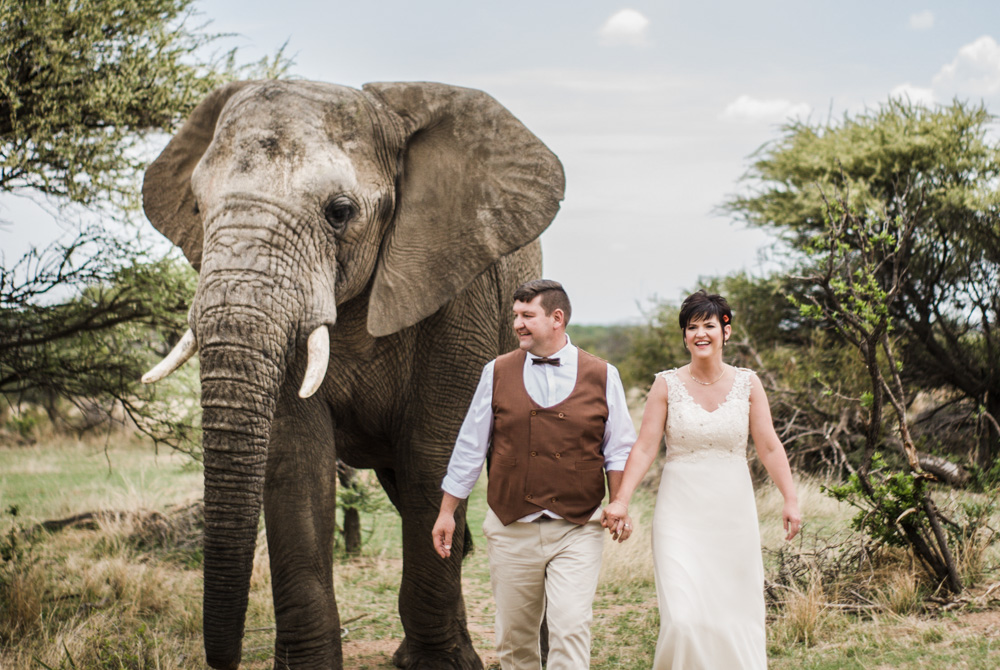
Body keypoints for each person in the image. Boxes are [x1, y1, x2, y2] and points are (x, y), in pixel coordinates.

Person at [432, 279, 637, 670]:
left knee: (571, 628)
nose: (518, 324)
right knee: (514, 640)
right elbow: (470, 447)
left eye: (528, 315)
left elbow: (619, 448)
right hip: (512, 527)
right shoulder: (495, 371)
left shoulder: (603, 374)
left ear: (556, 318)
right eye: (516, 316)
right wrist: (447, 512)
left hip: (577, 527)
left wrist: (620, 503)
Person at [601, 290, 801, 670]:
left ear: (726, 331)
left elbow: (770, 447)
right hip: (680, 514)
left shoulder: (748, 384)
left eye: (709, 325)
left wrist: (790, 499)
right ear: (684, 336)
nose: (700, 333)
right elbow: (644, 449)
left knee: (733, 616)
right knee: (683, 620)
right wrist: (621, 500)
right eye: (692, 327)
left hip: (733, 515)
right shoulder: (666, 385)